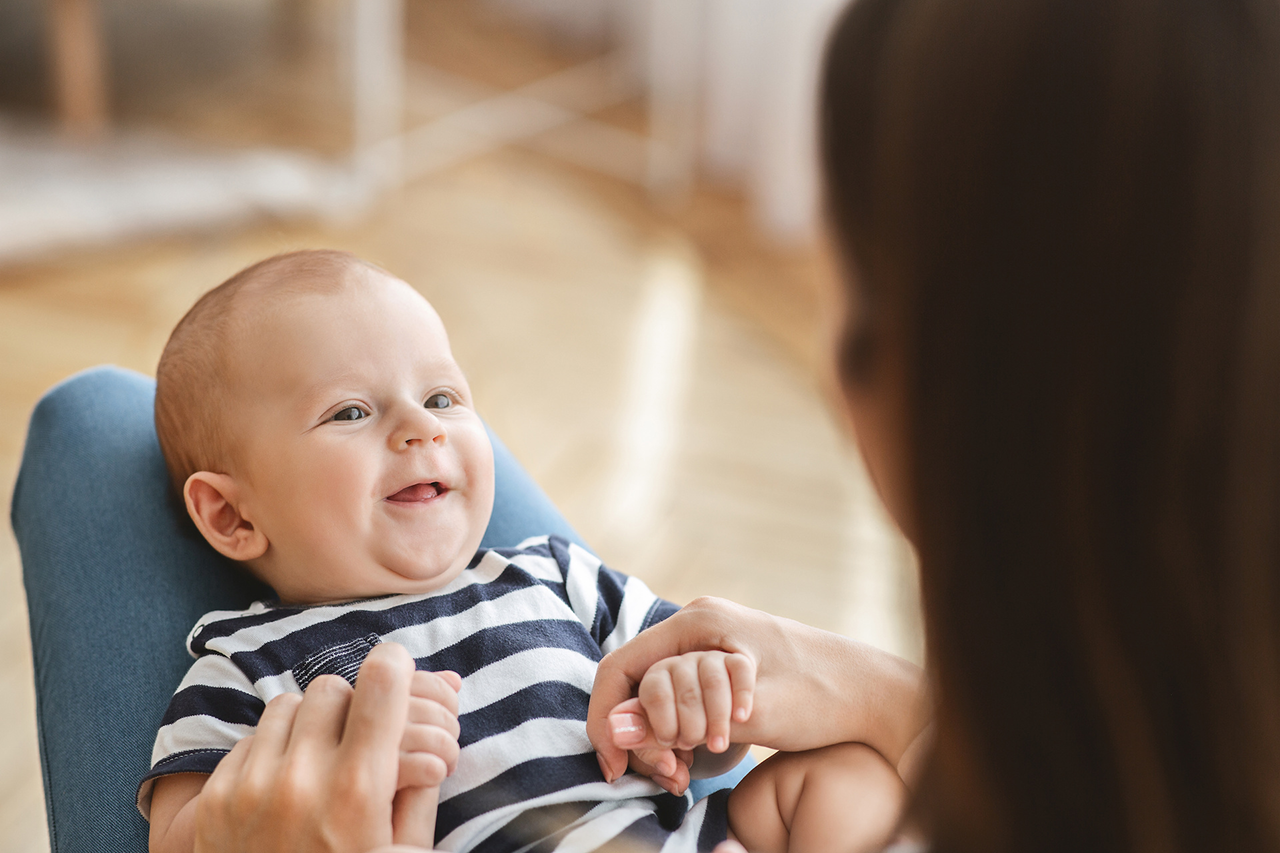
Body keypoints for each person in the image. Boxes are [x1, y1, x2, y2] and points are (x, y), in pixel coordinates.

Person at [140, 249, 918, 853]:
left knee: (846, 777)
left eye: (443, 396)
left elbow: (707, 741)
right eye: (350, 410)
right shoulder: (242, 663)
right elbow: (182, 835)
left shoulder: (555, 573)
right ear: (232, 515)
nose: (422, 426)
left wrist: (698, 704)